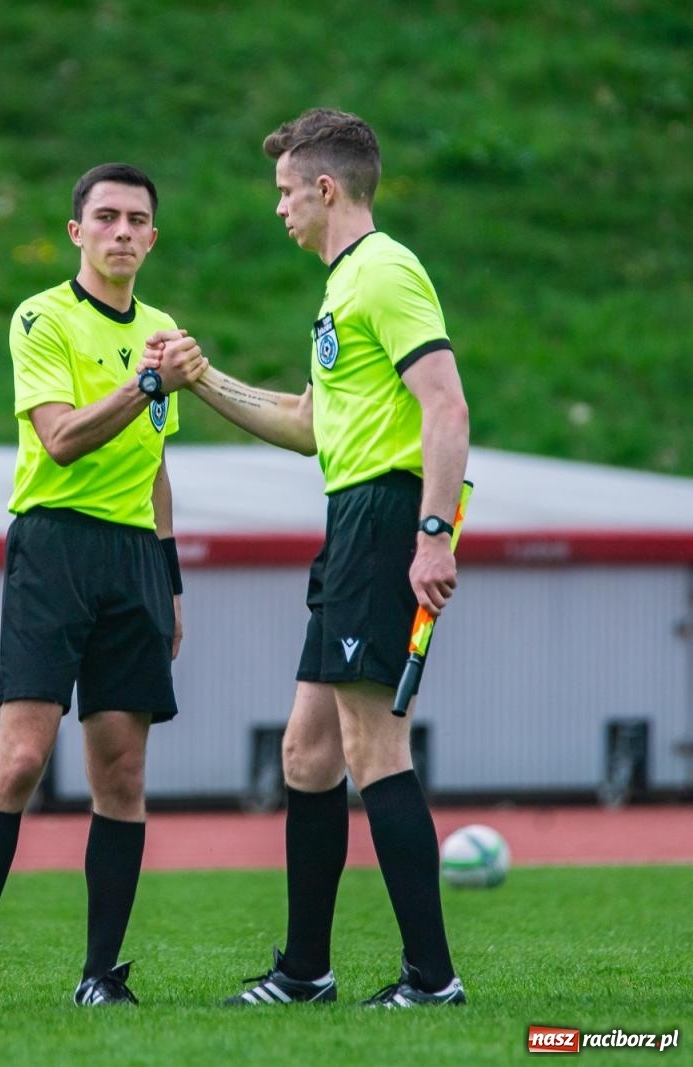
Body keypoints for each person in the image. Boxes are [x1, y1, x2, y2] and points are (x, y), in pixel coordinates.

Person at [156, 109, 471, 1007]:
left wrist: (432, 533)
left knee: (375, 746)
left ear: (325, 188)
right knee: (306, 752)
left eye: (286, 192)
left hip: (384, 518)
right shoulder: (342, 288)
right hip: (350, 519)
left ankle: (431, 980)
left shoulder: (385, 272)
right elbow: (307, 424)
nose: (280, 209)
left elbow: (445, 408)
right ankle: (304, 971)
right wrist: (204, 379)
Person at [0, 163, 205, 1008]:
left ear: (153, 239)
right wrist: (149, 380)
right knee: (19, 758)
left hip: (132, 560)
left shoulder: (162, 328)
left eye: (139, 220)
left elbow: (156, 468)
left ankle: (100, 976)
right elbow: (60, 441)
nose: (124, 231)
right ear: (77, 232)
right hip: (54, 549)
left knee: (121, 771)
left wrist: (170, 584)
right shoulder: (41, 318)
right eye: (108, 217)